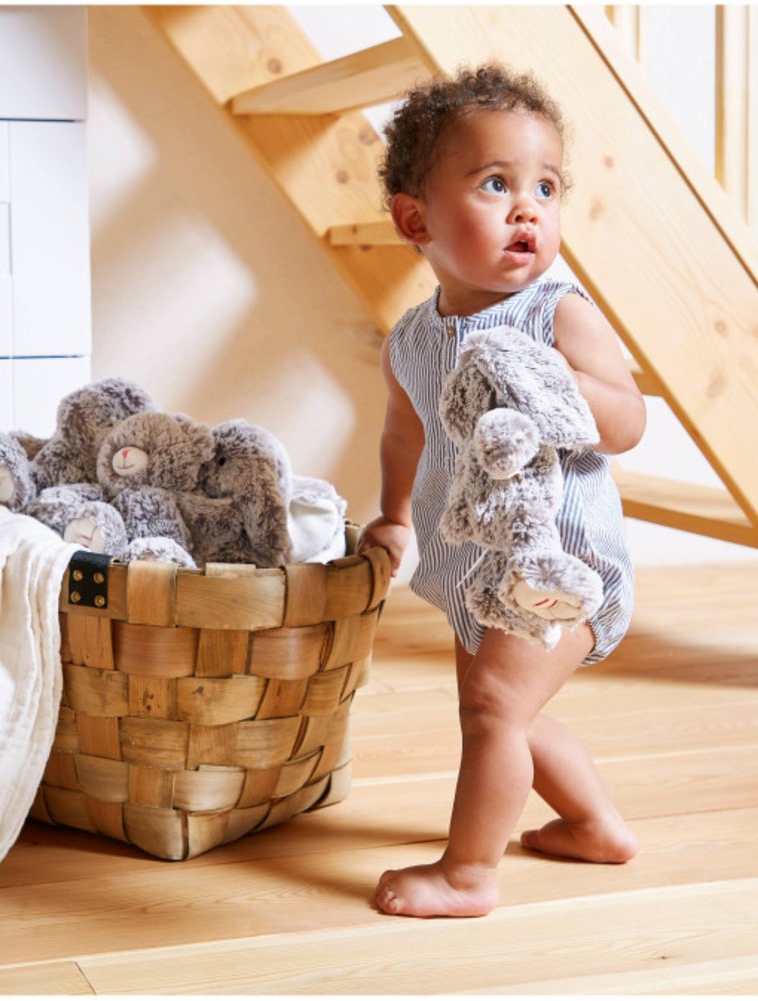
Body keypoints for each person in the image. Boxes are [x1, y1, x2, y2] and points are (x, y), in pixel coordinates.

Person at [357, 63, 646, 919]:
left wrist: (551, 382)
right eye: (495, 184)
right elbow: (404, 432)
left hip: (559, 566)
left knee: (493, 707)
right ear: (415, 220)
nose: (528, 209)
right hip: (471, 572)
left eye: (545, 188)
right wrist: (392, 514)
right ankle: (594, 826)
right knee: (494, 711)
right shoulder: (412, 340)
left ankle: (468, 873)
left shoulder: (556, 316)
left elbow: (626, 421)